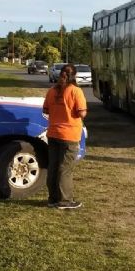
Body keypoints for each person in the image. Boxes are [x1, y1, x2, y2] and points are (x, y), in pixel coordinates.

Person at [43, 63, 88, 209]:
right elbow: (81, 113)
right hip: (69, 135)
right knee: (65, 168)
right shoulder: (76, 91)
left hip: (53, 133)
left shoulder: (51, 91)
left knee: (54, 166)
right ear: (74, 76)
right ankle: (65, 200)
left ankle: (53, 199)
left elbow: (46, 110)